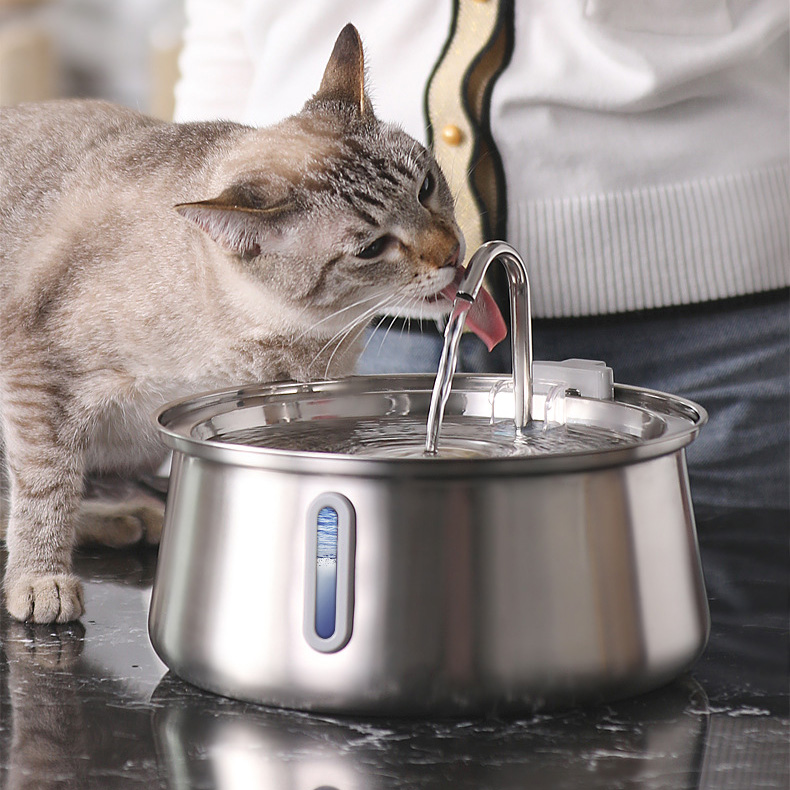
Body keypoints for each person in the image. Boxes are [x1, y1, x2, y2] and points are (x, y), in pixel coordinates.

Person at [173, 0, 789, 509]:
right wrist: (211, 245)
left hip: (717, 333)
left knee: (738, 632)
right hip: (336, 327)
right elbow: (229, 27)